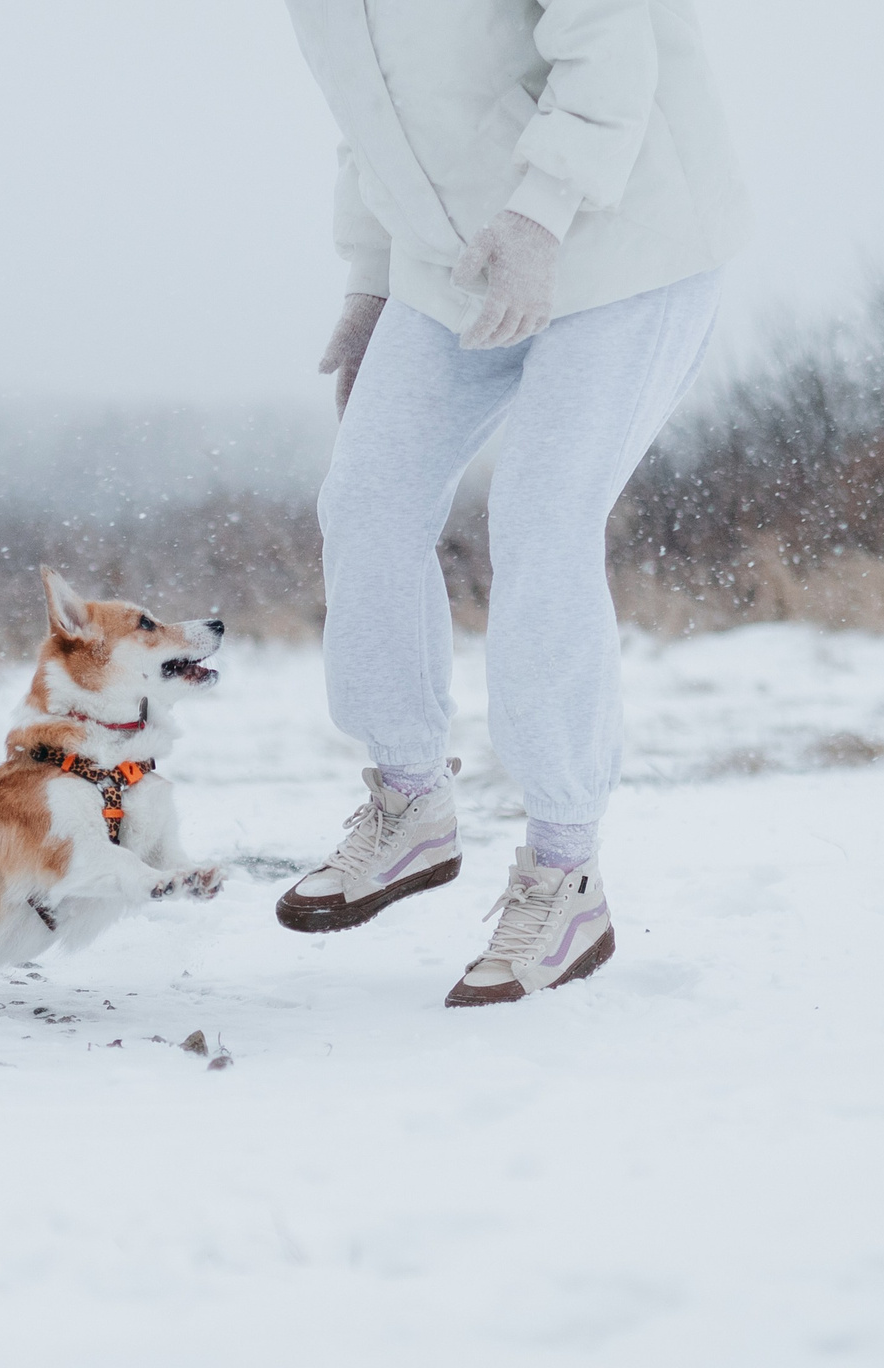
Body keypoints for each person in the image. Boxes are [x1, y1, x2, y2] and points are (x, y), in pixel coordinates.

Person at [278, 0, 747, 1006]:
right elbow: (375, 120)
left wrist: (541, 213)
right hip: (453, 267)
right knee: (366, 498)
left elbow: (610, 44)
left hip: (628, 241)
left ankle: (564, 870)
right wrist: (369, 286)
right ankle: (409, 800)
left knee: (540, 515)